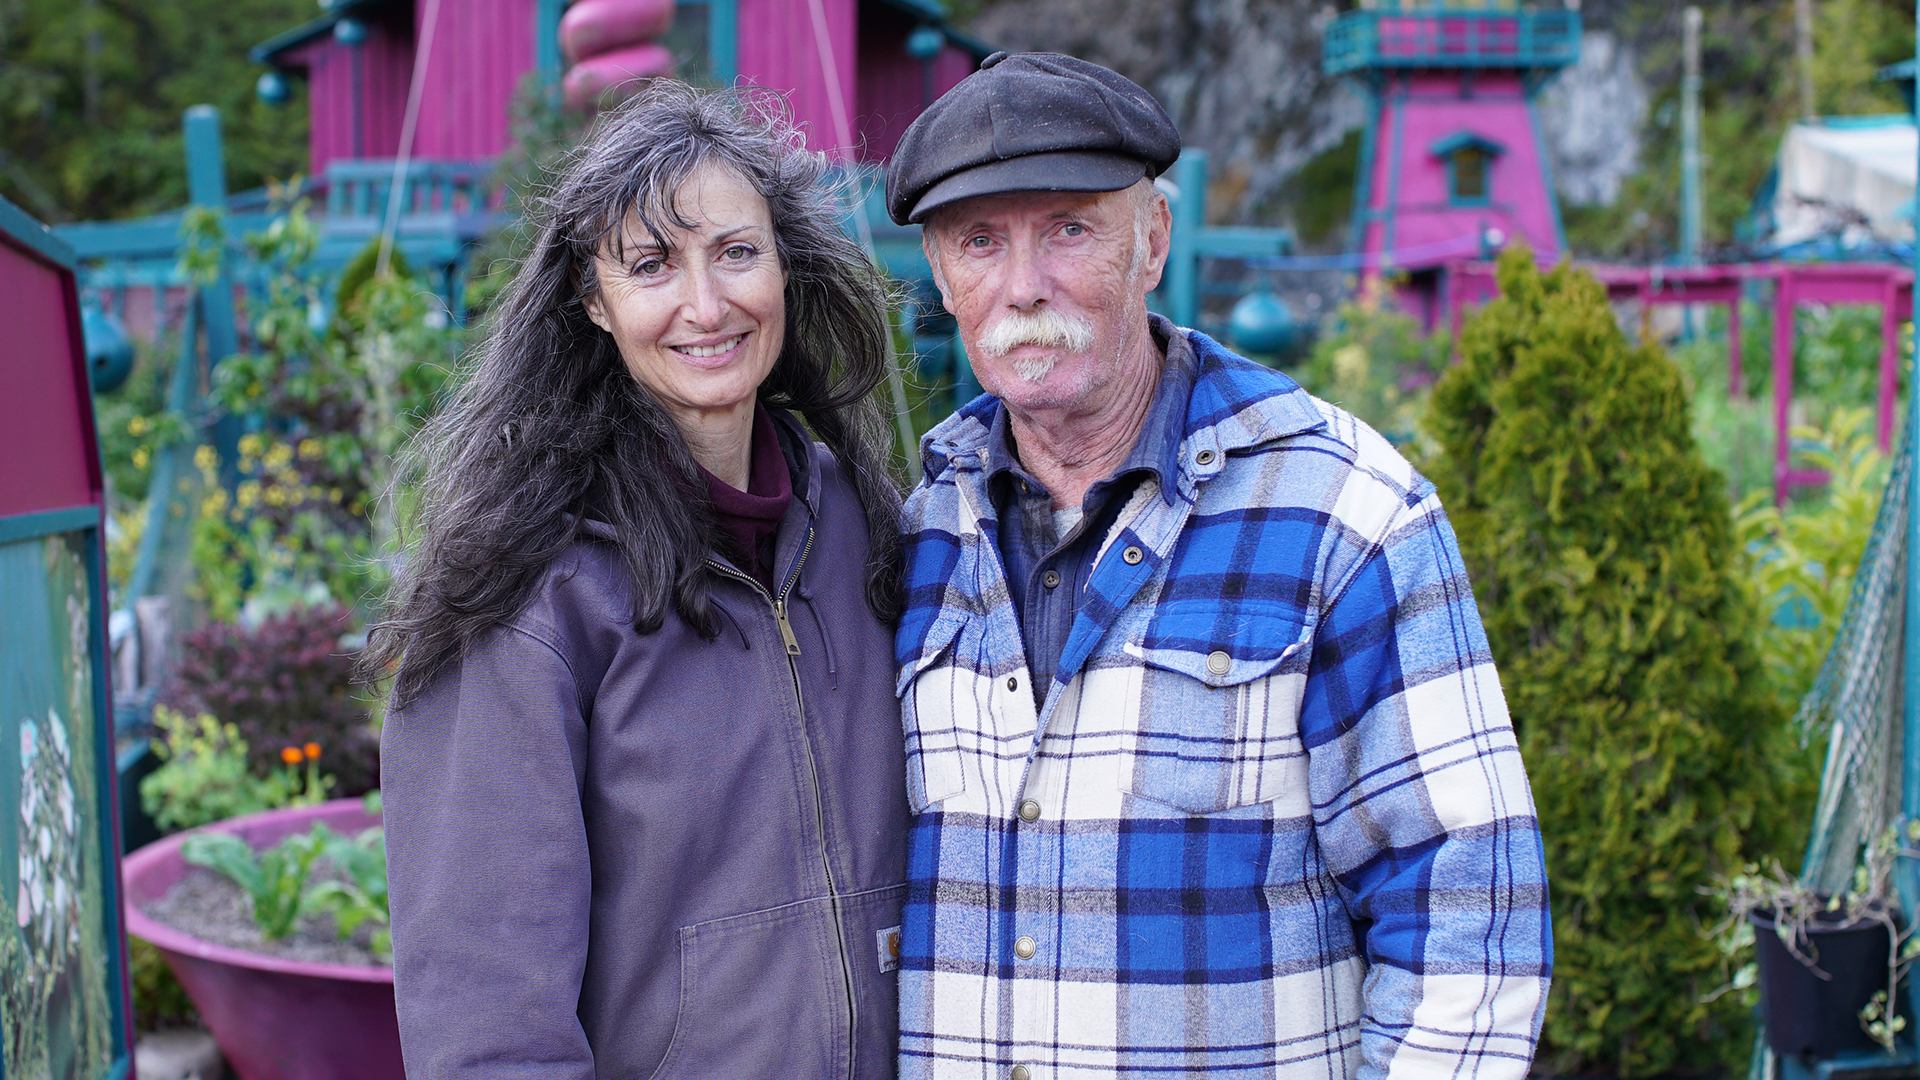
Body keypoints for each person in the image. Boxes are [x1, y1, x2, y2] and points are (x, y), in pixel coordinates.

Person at [883, 52, 1551, 1080]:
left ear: (1152, 240)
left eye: (1068, 230)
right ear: (940, 273)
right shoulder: (918, 528)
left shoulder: (1346, 512)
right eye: (981, 242)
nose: (1023, 286)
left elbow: (1469, 914)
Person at [368, 82, 910, 1079]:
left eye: (736, 252)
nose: (706, 305)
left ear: (784, 265)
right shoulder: (529, 593)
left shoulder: (864, 528)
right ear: (594, 301)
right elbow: (489, 1029)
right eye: (653, 265)